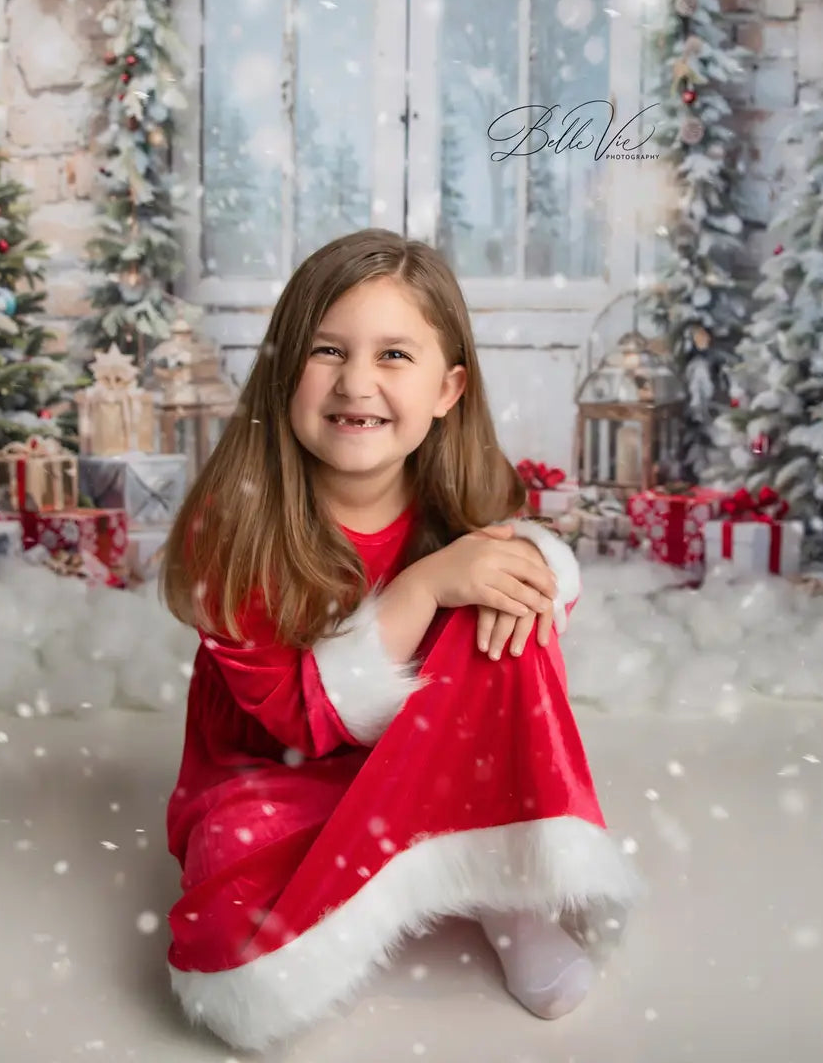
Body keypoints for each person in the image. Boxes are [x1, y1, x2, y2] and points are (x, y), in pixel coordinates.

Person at [159, 229, 640, 1051]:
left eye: (393, 356)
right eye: (327, 350)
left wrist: (504, 571)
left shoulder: (459, 496)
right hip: (285, 774)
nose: (356, 383)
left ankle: (510, 892)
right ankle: (374, 872)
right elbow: (295, 721)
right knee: (228, 892)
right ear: (283, 370)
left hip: (439, 759)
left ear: (449, 387)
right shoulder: (234, 524)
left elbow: (526, 599)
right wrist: (422, 586)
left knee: (509, 595)